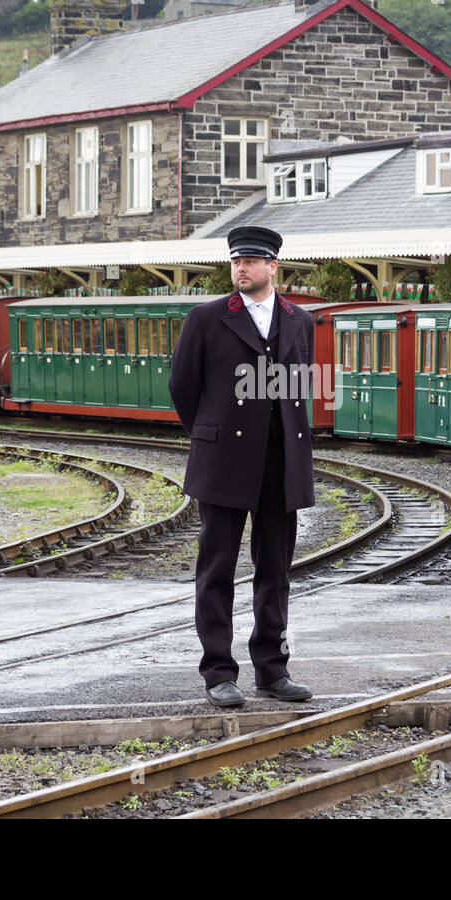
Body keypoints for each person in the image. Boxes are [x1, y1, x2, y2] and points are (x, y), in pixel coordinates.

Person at [168, 225, 315, 708]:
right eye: (236, 261)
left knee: (275, 570)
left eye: (252, 261)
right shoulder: (206, 318)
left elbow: (297, 390)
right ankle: (218, 673)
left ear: (274, 267)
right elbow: (183, 389)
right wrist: (210, 433)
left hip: (282, 463)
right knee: (217, 569)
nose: (242, 269)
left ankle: (272, 670)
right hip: (224, 461)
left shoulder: (299, 321)